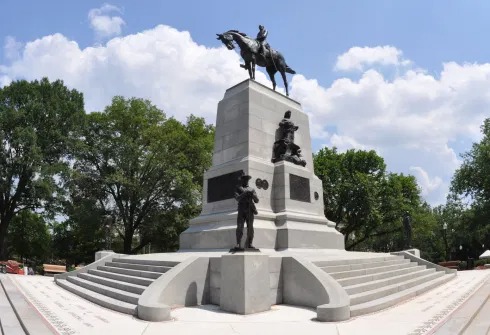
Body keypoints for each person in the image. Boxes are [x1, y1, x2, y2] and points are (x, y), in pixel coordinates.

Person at [234, 174, 259, 249]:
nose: (246, 181)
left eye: (247, 179)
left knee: (250, 227)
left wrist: (253, 195)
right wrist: (244, 193)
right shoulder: (238, 188)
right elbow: (237, 198)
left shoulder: (252, 189)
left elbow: (257, 200)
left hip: (249, 209)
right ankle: (238, 243)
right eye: (244, 179)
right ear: (241, 180)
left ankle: (250, 243)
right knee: (239, 227)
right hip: (241, 209)